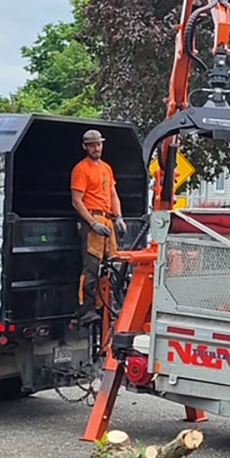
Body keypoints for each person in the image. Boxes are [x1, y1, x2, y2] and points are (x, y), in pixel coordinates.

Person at [70, 129, 126, 326]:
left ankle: (112, 304)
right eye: (92, 145)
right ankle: (86, 310)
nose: (97, 148)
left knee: (114, 264)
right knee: (91, 268)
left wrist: (118, 217)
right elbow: (77, 201)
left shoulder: (106, 169)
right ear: (85, 147)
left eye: (99, 144)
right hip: (92, 219)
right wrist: (92, 223)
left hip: (107, 220)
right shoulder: (81, 170)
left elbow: (112, 194)